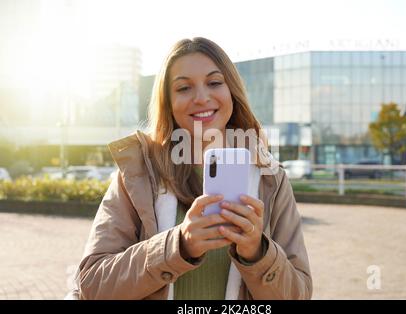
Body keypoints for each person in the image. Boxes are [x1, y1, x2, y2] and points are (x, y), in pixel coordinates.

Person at [71, 37, 312, 300]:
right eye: (184, 88)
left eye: (214, 83)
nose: (201, 98)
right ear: (168, 102)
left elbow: (298, 295)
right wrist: (178, 246)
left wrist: (258, 253)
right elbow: (92, 285)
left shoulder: (271, 179)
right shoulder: (138, 175)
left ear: (231, 90)